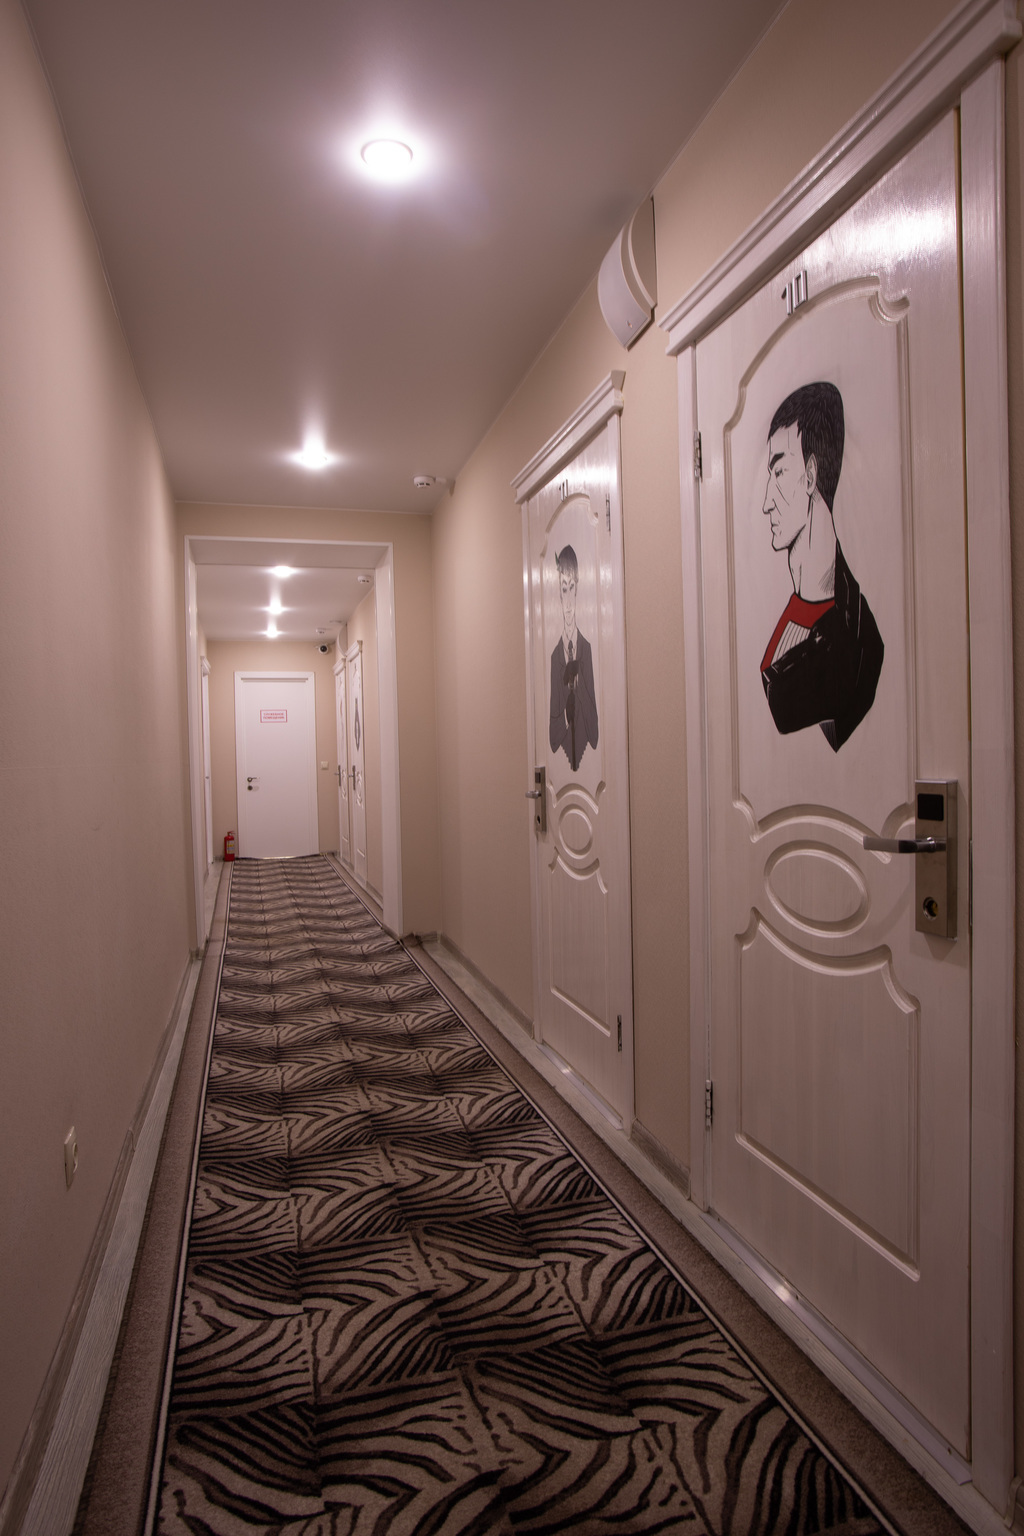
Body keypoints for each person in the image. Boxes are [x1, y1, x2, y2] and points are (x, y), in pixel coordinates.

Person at [760, 381, 883, 752]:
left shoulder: (856, 641)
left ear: (811, 474)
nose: (766, 502)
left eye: (779, 473)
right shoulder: (799, 607)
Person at [549, 544, 598, 770]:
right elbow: (552, 739)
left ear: (577, 589)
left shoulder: (586, 649)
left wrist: (580, 689)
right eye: (563, 590)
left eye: (571, 588)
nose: (568, 603)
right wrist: (566, 717)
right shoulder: (555, 657)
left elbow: (595, 737)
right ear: (559, 595)